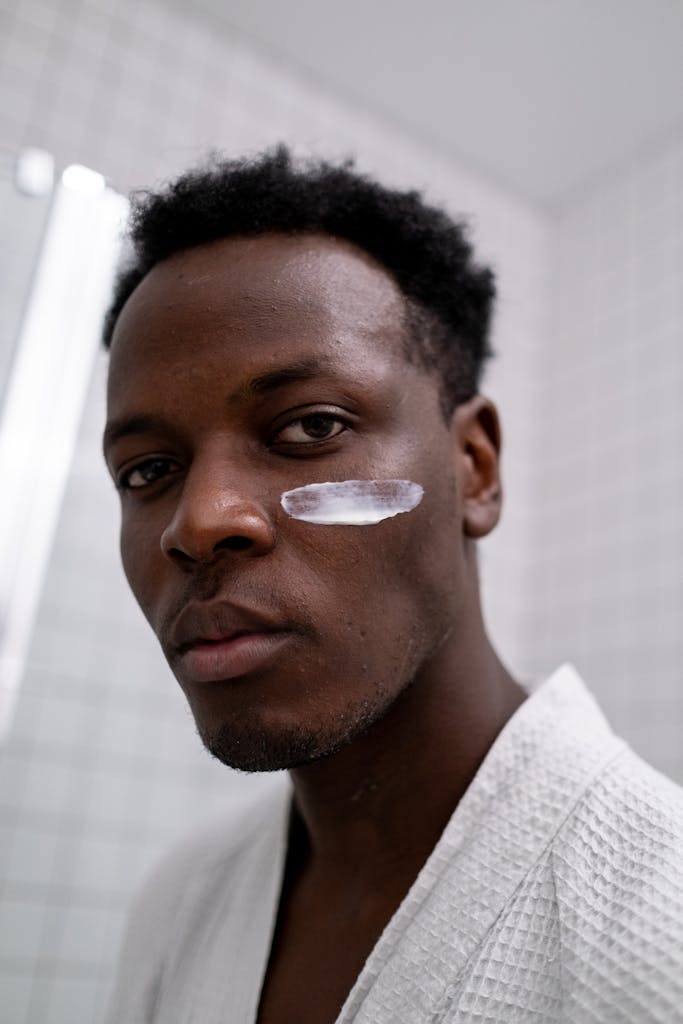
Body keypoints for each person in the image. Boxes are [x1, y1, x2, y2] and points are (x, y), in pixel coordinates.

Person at [101, 147, 683, 1024]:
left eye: (311, 424)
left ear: (474, 468)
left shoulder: (658, 931)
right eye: (148, 470)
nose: (199, 519)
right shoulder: (175, 903)